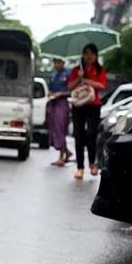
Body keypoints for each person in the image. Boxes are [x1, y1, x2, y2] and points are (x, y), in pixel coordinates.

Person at [67, 43, 107, 180]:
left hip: (93, 106)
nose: (89, 56)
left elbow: (102, 85)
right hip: (78, 106)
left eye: (91, 53)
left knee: (91, 134)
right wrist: (79, 78)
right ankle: (80, 168)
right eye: (86, 53)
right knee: (79, 135)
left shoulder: (100, 70)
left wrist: (87, 81)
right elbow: (70, 87)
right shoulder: (76, 70)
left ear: (96, 55)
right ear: (83, 55)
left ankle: (92, 163)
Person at [46, 57, 72, 166]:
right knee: (54, 129)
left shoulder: (68, 75)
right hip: (53, 103)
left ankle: (61, 156)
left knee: (60, 128)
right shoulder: (53, 75)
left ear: (63, 63)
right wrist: (50, 93)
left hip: (62, 103)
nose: (56, 64)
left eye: (58, 62)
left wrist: (61, 94)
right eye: (55, 62)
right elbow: (50, 89)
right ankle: (66, 151)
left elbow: (71, 91)